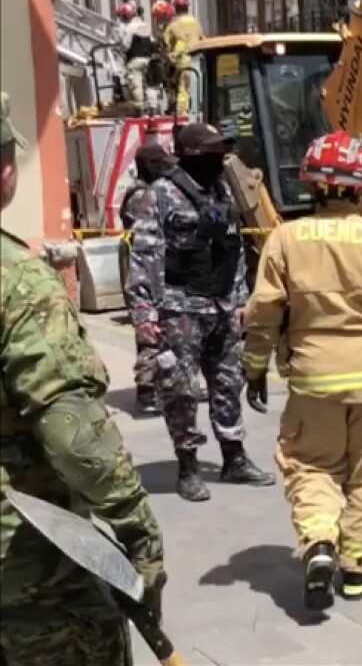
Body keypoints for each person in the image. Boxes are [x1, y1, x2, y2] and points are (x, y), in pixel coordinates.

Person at [0, 91, 166, 664]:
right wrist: (138, 529)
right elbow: (71, 432)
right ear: (5, 170)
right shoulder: (18, 284)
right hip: (27, 578)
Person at [242, 130, 362, 609]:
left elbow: (263, 311)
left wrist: (255, 367)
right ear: (361, 186)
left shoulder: (284, 239)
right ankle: (356, 572)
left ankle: (320, 541)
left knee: (310, 466)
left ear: (311, 184)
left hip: (312, 382)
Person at [127, 123, 275, 501]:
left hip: (222, 305)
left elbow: (234, 249)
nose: (219, 158)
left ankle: (234, 457)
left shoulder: (222, 190)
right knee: (181, 389)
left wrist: (240, 301)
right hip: (179, 308)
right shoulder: (159, 195)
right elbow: (144, 257)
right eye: (212, 151)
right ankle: (188, 466)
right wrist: (145, 315)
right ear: (191, 153)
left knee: (228, 383)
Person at [119, 143, 179, 416]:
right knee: (149, 335)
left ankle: (167, 386)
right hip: (145, 273)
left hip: (155, 271)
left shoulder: (147, 192)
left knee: (165, 332)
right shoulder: (142, 196)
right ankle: (146, 394)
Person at [161, 0, 201, 115]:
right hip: (197, 59)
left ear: (176, 8)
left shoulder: (173, 24)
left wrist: (169, 56)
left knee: (183, 89)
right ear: (187, 7)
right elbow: (201, 37)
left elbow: (166, 42)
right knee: (197, 87)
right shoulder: (195, 22)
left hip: (182, 61)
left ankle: (182, 114)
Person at [117, 2, 156, 112]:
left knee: (136, 84)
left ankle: (140, 109)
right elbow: (152, 42)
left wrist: (119, 49)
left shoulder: (130, 27)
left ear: (125, 16)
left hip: (135, 61)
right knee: (149, 84)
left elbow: (125, 45)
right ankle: (153, 107)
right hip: (148, 59)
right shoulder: (145, 25)